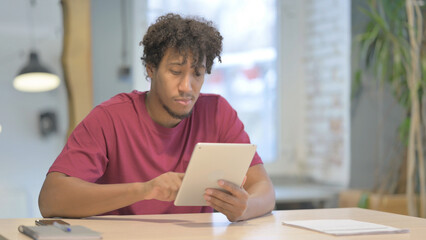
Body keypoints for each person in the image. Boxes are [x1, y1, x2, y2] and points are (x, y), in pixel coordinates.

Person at [38, 13, 275, 222]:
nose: (187, 87)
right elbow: (51, 199)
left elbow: (264, 189)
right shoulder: (109, 118)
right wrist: (145, 190)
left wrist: (245, 207)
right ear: (151, 69)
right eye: (175, 72)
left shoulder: (217, 113)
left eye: (198, 74)